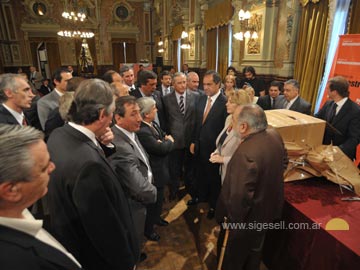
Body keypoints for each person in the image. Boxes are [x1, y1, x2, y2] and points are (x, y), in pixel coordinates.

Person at [47, 79, 139, 270]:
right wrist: (126, 263)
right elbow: (104, 229)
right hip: (98, 258)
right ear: (102, 115)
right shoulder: (89, 166)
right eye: (113, 112)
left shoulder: (58, 135)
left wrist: (103, 146)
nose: (113, 118)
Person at [0, 124, 82, 270]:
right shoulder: (18, 261)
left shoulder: (18, 211)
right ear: (11, 191)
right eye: (44, 168)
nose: (53, 167)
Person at [215, 104, 287, 270]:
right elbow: (284, 163)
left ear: (243, 126)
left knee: (233, 260)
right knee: (255, 253)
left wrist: (230, 222)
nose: (231, 124)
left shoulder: (245, 154)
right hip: (266, 212)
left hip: (244, 222)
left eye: (233, 120)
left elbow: (239, 197)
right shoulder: (274, 135)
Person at [110, 96, 157, 259]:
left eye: (139, 113)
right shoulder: (119, 144)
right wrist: (153, 192)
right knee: (132, 238)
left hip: (140, 200)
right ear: (118, 118)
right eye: (133, 114)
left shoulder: (130, 132)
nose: (139, 118)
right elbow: (137, 187)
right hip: (133, 203)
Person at [188, 70, 228, 219]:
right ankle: (200, 197)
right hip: (198, 146)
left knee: (213, 179)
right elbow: (196, 123)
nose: (205, 88)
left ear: (218, 84)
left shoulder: (225, 103)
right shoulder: (200, 99)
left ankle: (213, 206)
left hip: (214, 150)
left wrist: (220, 151)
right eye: (204, 84)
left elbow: (225, 131)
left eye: (209, 84)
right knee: (199, 175)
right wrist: (193, 141)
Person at [136, 97, 174, 241]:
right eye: (154, 109)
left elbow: (163, 136)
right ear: (146, 114)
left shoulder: (152, 124)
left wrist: (164, 141)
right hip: (155, 173)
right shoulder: (143, 131)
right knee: (153, 204)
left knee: (159, 202)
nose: (157, 110)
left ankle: (157, 219)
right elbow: (161, 148)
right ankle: (149, 230)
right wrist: (167, 142)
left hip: (161, 170)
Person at [163, 72, 198, 200]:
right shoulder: (166, 99)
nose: (183, 85)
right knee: (174, 169)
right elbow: (165, 120)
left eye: (184, 82)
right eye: (179, 83)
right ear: (173, 84)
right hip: (174, 141)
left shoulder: (196, 96)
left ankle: (189, 191)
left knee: (190, 169)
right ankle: (173, 191)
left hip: (190, 141)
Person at [210, 90, 251, 183]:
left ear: (241, 105)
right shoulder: (229, 119)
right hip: (225, 172)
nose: (226, 104)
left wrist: (223, 159)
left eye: (231, 102)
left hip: (238, 176)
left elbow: (246, 158)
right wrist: (217, 152)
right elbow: (223, 141)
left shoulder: (246, 126)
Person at [315, 76, 360, 160]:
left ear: (334, 92)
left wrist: (336, 151)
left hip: (341, 156)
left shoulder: (355, 110)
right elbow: (316, 118)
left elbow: (354, 138)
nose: (326, 91)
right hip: (323, 153)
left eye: (328, 89)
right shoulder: (328, 104)